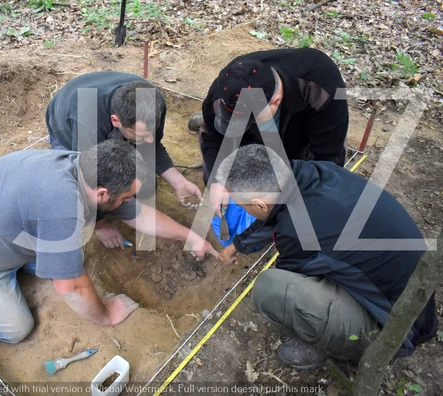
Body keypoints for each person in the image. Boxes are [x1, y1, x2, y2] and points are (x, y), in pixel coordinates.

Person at [0, 140, 217, 343]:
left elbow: (136, 214)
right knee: (15, 329)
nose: (129, 201)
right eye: (126, 196)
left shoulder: (85, 167)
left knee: (69, 255)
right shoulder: (62, 207)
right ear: (102, 195)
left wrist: (190, 236)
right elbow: (69, 287)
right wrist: (107, 314)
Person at [216, 145, 437, 369]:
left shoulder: (298, 234)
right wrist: (237, 245)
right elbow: (277, 213)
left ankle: (330, 347)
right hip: (415, 297)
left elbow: (291, 273)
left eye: (242, 205)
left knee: (272, 290)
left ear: (259, 205)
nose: (243, 209)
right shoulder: (314, 172)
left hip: (396, 328)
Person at [46, 71, 204, 248]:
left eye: (150, 133)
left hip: (105, 114)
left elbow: (153, 146)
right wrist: (99, 224)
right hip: (66, 124)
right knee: (99, 191)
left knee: (145, 189)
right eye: (141, 135)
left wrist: (178, 182)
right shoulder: (88, 128)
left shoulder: (153, 100)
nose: (150, 141)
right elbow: (88, 184)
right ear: (116, 121)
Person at [192, 48, 349, 217]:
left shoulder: (322, 87)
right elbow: (212, 136)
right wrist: (217, 181)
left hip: (304, 134)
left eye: (248, 120)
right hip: (258, 134)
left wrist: (301, 207)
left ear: (276, 101)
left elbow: (329, 160)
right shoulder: (229, 84)